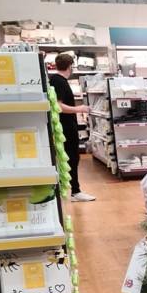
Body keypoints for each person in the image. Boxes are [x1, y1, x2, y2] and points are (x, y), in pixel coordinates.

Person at [48, 53, 96, 202]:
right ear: (70, 66)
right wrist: (80, 109)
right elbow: (59, 106)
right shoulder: (60, 82)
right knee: (72, 157)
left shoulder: (55, 80)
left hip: (64, 125)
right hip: (66, 125)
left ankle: (71, 189)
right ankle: (75, 191)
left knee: (69, 157)